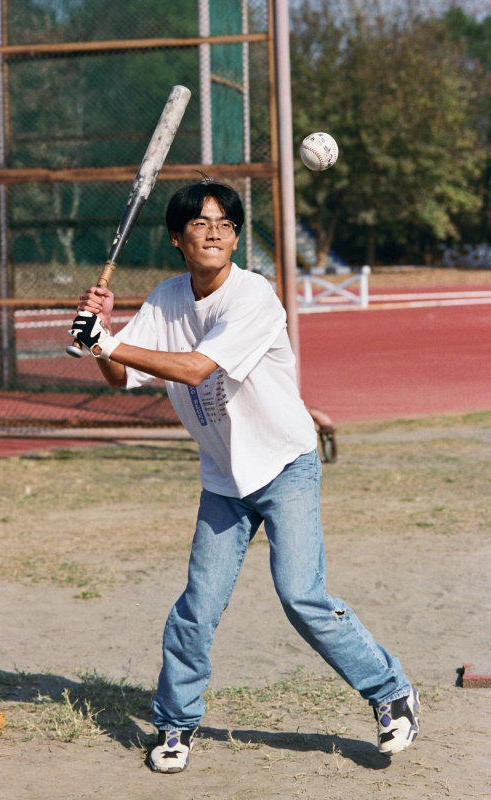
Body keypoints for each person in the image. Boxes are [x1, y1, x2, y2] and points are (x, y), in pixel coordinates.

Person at [69, 179, 420, 774]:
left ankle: (391, 694)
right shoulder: (166, 298)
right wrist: (102, 340)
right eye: (200, 223)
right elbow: (121, 377)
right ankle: (175, 725)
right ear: (178, 238)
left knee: (301, 595)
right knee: (196, 608)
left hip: (284, 465)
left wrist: (109, 341)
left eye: (226, 223)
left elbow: (196, 367)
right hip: (224, 479)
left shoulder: (253, 295)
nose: (214, 231)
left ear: (234, 237)